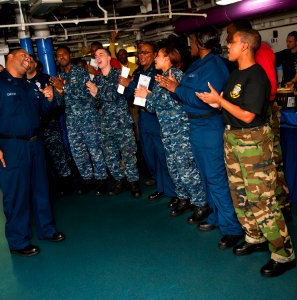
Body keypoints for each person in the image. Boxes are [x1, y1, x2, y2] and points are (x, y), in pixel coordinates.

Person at [196, 28, 296, 277]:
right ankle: (254, 236)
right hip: (233, 138)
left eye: (230, 42)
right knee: (239, 194)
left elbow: (248, 115)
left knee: (262, 200)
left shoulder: (257, 76)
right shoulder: (235, 75)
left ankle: (284, 254)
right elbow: (233, 108)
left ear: (244, 46)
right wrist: (215, 102)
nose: (227, 46)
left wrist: (220, 102)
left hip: (252, 142)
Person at [158, 26, 243, 247]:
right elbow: (185, 94)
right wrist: (175, 89)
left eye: (192, 41)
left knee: (216, 178)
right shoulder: (196, 65)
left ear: (200, 43)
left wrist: (177, 89)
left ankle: (232, 228)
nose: (190, 45)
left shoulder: (215, 66)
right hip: (194, 126)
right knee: (205, 178)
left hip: (209, 125)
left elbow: (203, 98)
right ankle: (216, 216)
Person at [0, 49, 65, 257]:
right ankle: (18, 241)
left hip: (35, 144)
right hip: (10, 147)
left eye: (30, 58)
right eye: (23, 55)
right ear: (9, 59)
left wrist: (49, 99)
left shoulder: (29, 86)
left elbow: (43, 113)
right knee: (16, 194)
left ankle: (47, 230)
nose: (28, 59)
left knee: (41, 189)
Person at [227, 19, 292, 222]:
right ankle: (256, 232)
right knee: (245, 189)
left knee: (266, 175)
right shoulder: (238, 70)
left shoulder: (259, 58)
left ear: (244, 40)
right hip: (242, 127)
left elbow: (267, 88)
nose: (228, 42)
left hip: (258, 121)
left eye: (231, 36)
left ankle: (283, 208)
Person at [135, 46, 207, 222]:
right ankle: (184, 198)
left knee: (186, 169)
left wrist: (149, 96)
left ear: (168, 58)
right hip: (166, 132)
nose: (155, 59)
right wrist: (148, 96)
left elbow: (173, 99)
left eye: (158, 55)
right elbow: (152, 107)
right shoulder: (161, 79)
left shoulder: (177, 75)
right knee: (174, 169)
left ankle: (200, 204)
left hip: (179, 132)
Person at [120, 41, 176, 202]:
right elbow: (132, 96)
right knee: (149, 153)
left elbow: (148, 94)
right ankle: (161, 186)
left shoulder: (156, 72)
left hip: (155, 116)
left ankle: (173, 191)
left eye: (146, 52)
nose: (142, 55)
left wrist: (130, 85)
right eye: (140, 52)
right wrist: (125, 86)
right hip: (143, 116)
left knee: (162, 154)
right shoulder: (138, 72)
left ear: (153, 54)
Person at [50, 46, 109, 196]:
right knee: (78, 153)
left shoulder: (80, 72)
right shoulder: (60, 76)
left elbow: (83, 94)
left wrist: (63, 87)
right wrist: (58, 92)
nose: (61, 57)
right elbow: (60, 102)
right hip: (72, 121)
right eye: (58, 56)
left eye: (63, 54)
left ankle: (101, 179)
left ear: (70, 55)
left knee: (95, 150)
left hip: (88, 118)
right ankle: (88, 179)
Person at [86, 48, 141, 198]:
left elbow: (115, 95)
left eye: (101, 54)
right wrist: (93, 96)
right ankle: (119, 181)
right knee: (110, 156)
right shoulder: (96, 80)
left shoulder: (120, 74)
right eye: (95, 56)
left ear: (109, 58)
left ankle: (133, 182)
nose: (97, 57)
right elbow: (94, 104)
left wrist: (97, 92)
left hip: (122, 123)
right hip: (105, 125)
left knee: (128, 154)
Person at [26, 55, 73, 196]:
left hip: (49, 124)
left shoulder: (46, 79)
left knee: (57, 154)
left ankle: (65, 183)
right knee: (40, 159)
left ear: (36, 65)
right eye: (26, 62)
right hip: (32, 127)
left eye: (31, 61)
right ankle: (48, 187)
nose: (28, 64)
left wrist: (52, 98)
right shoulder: (20, 82)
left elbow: (60, 102)